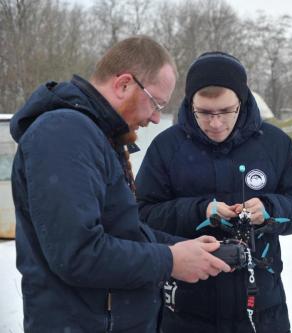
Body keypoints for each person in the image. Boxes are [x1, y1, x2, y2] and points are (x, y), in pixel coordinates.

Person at [10, 36, 230, 332]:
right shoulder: (63, 134)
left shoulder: (96, 136)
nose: (155, 118)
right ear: (124, 84)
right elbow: (78, 253)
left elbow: (122, 231)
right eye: (155, 103)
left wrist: (183, 248)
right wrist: (169, 260)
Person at [135, 51, 292, 333]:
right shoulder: (166, 148)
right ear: (190, 104)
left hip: (262, 311)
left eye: (225, 111)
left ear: (242, 101)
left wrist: (270, 209)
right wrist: (201, 211)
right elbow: (141, 215)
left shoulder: (275, 144)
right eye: (205, 113)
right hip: (185, 312)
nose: (216, 123)